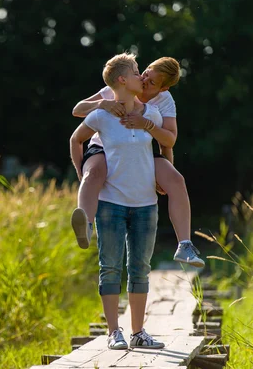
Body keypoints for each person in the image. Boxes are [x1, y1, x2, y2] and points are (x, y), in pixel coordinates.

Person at [70, 57, 204, 268]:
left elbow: (168, 141)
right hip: (105, 145)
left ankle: (184, 245)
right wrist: (103, 104)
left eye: (151, 82)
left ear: (163, 88)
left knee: (176, 180)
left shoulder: (164, 101)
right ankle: (85, 225)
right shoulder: (119, 88)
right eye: (144, 74)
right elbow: (77, 110)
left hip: (140, 147)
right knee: (94, 173)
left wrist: (165, 169)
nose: (143, 80)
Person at [70, 52, 164, 349]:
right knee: (109, 267)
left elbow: (165, 148)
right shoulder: (100, 115)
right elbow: (76, 140)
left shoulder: (152, 114)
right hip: (110, 203)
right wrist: (81, 171)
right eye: (137, 72)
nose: (143, 77)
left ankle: (138, 333)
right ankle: (114, 333)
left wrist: (165, 178)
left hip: (146, 203)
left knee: (140, 268)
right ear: (122, 80)